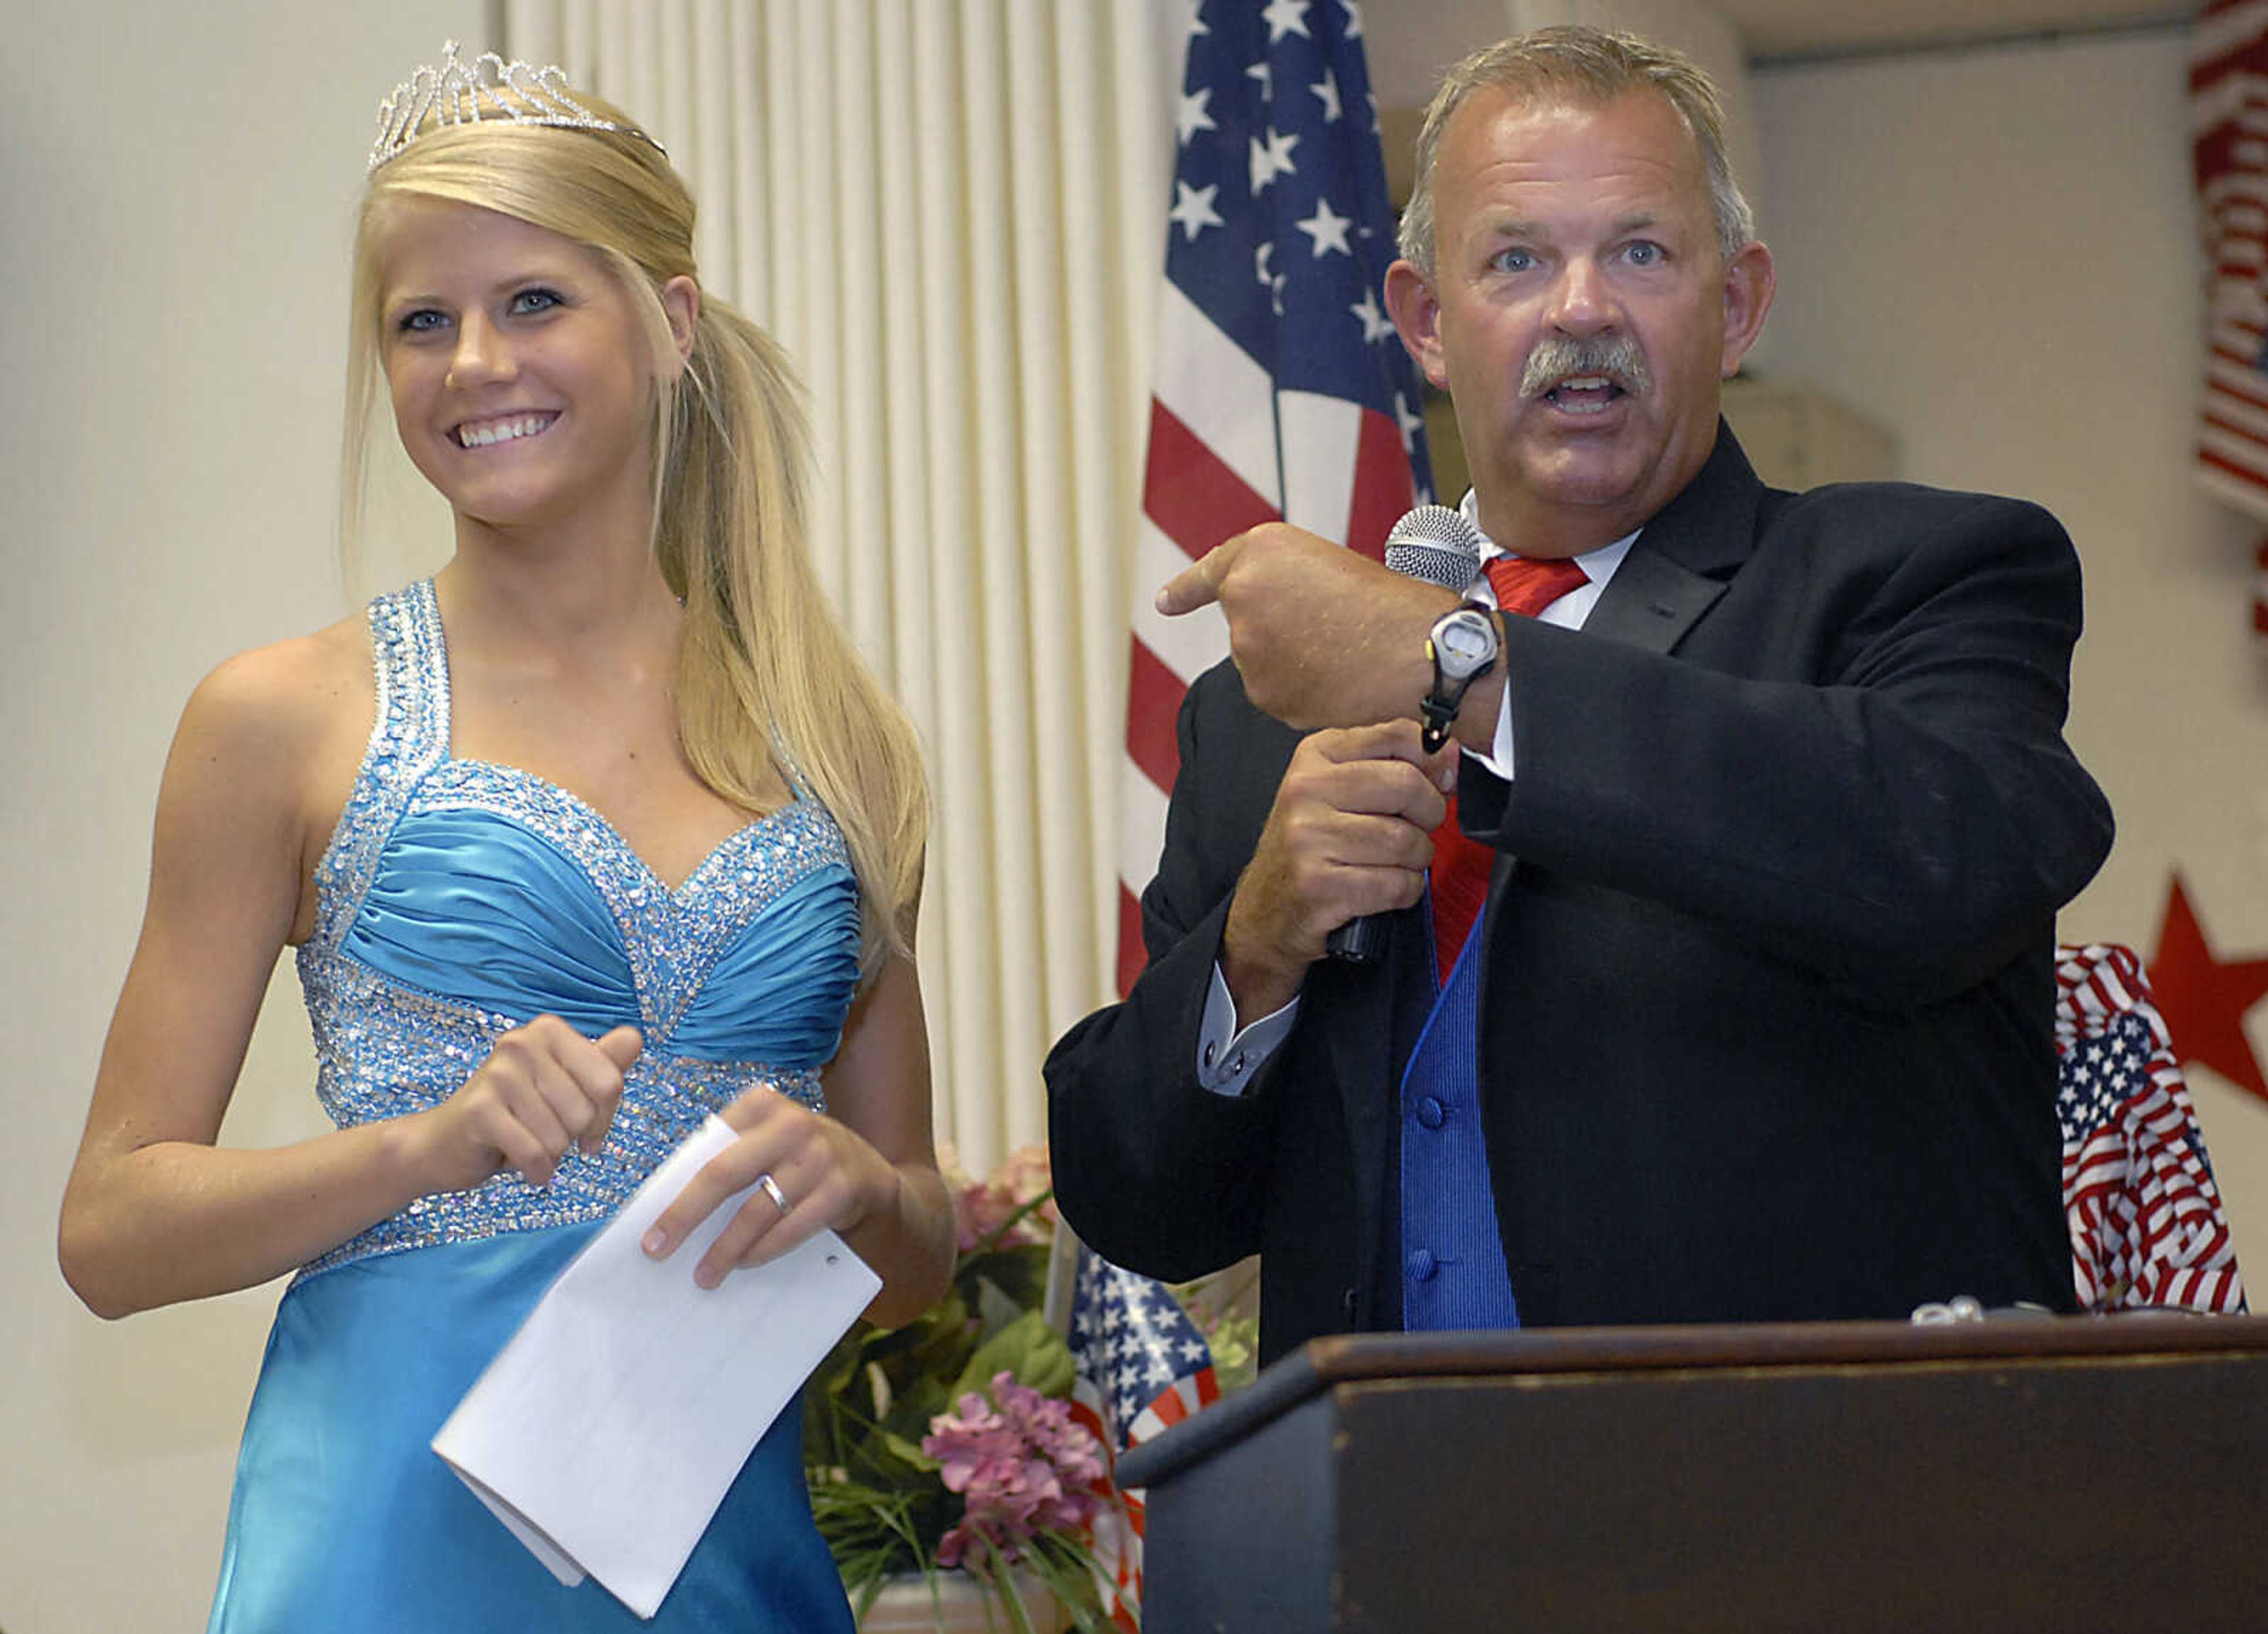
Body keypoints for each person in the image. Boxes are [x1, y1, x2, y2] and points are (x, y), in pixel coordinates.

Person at [1045, 26, 2114, 1368]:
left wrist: (1469, 670)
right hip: (1392, 1537)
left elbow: (1950, 858)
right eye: (1517, 259)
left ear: (1737, 306)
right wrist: (1258, 944)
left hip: (1808, 1526)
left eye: (1642, 252)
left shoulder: (1917, 577)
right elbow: (1136, 1202)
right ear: (1427, 323)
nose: (1581, 309)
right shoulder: (1262, 718)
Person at [57, 43, 953, 1632]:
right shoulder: (279, 718)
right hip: (388, 1552)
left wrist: (861, 1190)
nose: (476, 361)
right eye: (422, 321)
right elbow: (112, 1231)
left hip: (721, 1563)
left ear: (669, 321)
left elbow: (921, 1255)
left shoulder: (839, 746)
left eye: (533, 300)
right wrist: (423, 1147)